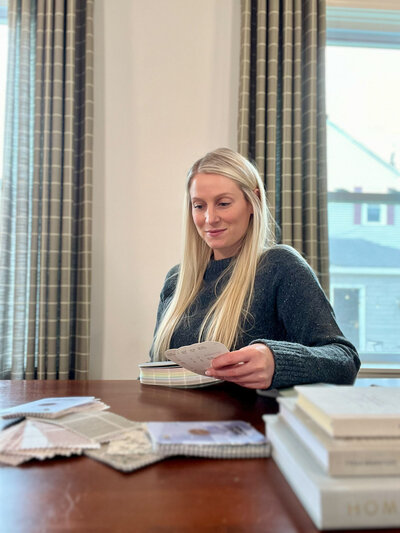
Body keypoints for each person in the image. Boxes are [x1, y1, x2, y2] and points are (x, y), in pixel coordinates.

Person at [150, 147, 360, 390]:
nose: (210, 218)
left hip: (252, 424)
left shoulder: (280, 267)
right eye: (199, 206)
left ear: (253, 202)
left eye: (223, 203)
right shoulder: (176, 280)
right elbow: (155, 368)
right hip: (175, 424)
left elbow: (344, 360)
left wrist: (276, 360)